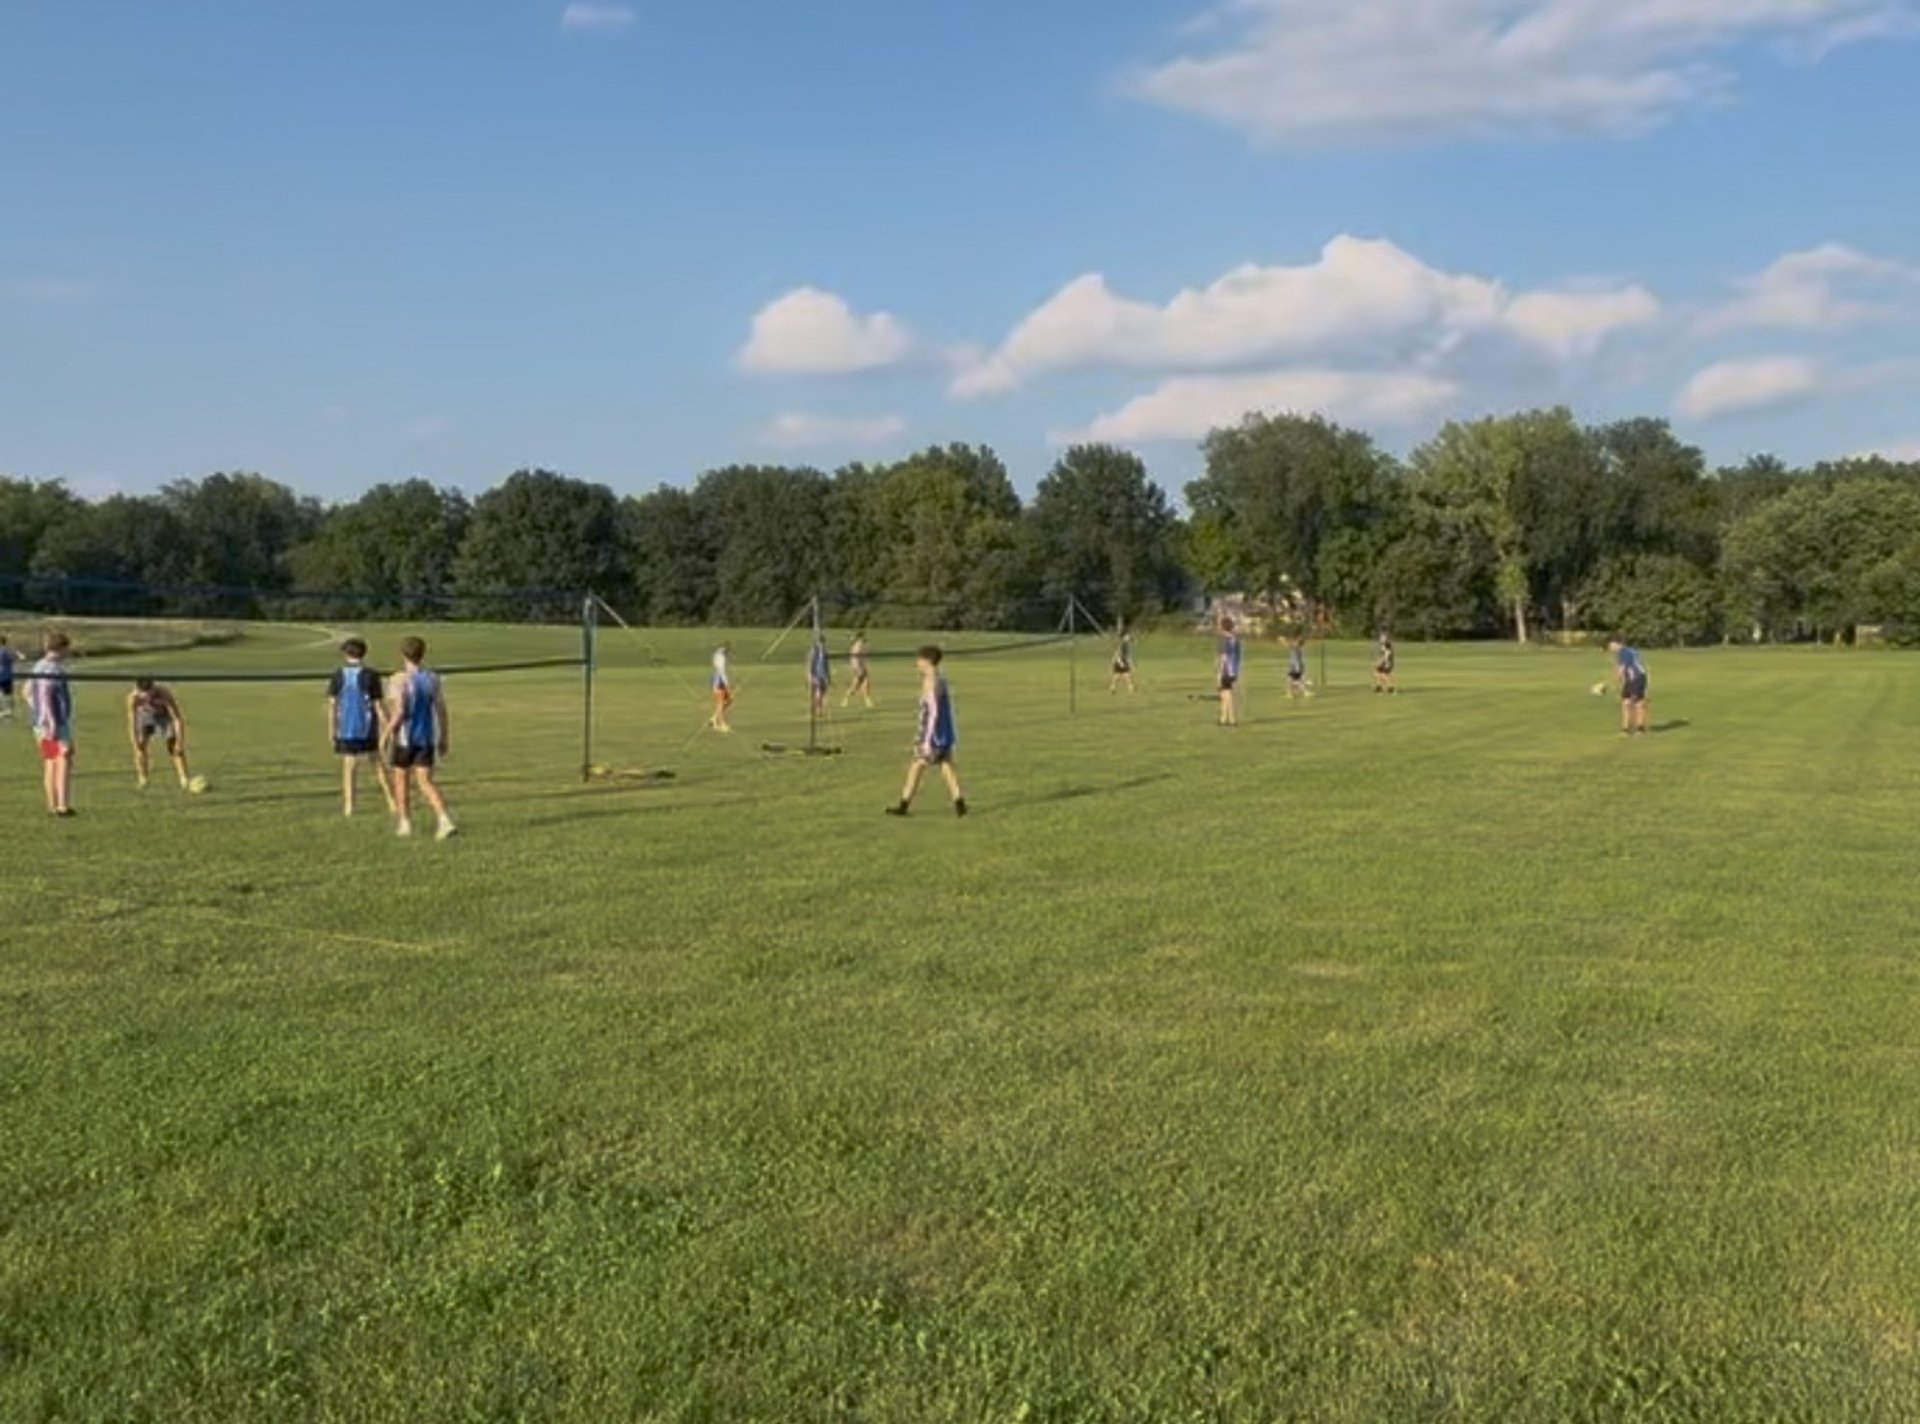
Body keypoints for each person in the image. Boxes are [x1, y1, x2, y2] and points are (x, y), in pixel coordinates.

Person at [385, 636, 457, 839]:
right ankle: (444, 819)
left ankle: (405, 822)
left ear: (402, 655)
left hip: (404, 738)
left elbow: (398, 712)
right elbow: (441, 710)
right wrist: (444, 737)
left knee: (401, 780)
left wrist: (385, 734)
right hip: (426, 736)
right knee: (426, 782)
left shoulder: (398, 679)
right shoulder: (432, 678)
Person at [885, 645, 967, 818]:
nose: (917, 663)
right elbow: (948, 710)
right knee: (946, 766)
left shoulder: (930, 681)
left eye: (919, 660)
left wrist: (927, 740)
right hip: (944, 734)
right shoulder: (942, 679)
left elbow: (934, 712)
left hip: (933, 735)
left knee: (916, 766)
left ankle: (903, 806)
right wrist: (952, 733)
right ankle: (960, 804)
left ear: (927, 661)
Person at [327, 637, 392, 816]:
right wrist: (389, 727)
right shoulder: (372, 675)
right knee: (378, 764)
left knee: (350, 767)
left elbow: (333, 705)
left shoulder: (338, 675)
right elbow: (378, 705)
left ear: (345, 654)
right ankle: (391, 800)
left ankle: (350, 807)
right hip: (368, 727)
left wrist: (332, 730)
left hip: (346, 728)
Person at [28, 631, 75, 817]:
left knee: (50, 761)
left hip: (40, 723)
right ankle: (63, 805)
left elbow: (28, 691)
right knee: (63, 758)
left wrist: (37, 711)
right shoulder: (53, 669)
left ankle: (52, 804)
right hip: (55, 723)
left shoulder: (37, 666)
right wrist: (52, 722)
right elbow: (47, 695)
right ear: (61, 648)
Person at [126, 678, 191, 790]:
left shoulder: (163, 693)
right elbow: (132, 722)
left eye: (149, 691)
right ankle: (143, 780)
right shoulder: (133, 698)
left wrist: (180, 742)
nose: (146, 695)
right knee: (140, 746)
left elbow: (177, 718)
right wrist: (135, 743)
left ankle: (184, 779)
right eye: (143, 693)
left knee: (174, 747)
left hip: (164, 717)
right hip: (145, 717)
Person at [1609, 637, 1651, 736]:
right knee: (1626, 702)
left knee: (1636, 703)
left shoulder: (1623, 652)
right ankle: (1626, 729)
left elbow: (1622, 669)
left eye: (1611, 646)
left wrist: (1612, 684)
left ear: (1617, 644)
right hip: (1634, 679)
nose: (1610, 649)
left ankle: (1639, 729)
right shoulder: (1630, 650)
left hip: (1636, 679)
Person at [1216, 617, 1243, 727]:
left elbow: (1224, 657)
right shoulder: (1236, 639)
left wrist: (1219, 673)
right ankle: (1223, 718)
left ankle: (1231, 719)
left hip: (1227, 669)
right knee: (1225, 693)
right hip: (1234, 670)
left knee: (1227, 694)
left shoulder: (1225, 639)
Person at [843, 632, 874, 709]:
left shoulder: (862, 646)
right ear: (860, 638)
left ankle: (868, 701)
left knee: (866, 685)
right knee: (854, 687)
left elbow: (866, 651)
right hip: (858, 669)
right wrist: (857, 669)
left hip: (863, 668)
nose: (865, 638)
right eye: (863, 637)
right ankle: (845, 699)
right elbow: (854, 660)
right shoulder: (856, 648)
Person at [710, 643, 734, 733]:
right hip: (718, 681)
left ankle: (714, 718)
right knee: (720, 703)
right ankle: (720, 724)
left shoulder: (719, 655)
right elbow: (720, 672)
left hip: (720, 680)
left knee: (729, 700)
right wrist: (727, 687)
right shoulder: (720, 657)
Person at [1109, 621, 1137, 695]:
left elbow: (1128, 656)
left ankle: (1113, 687)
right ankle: (1130, 688)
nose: (1129, 637)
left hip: (1122, 661)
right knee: (1123, 675)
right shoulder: (1123, 644)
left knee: (1120, 675)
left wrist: (1131, 664)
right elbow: (1118, 653)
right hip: (1120, 661)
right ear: (1124, 637)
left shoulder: (1126, 644)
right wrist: (1120, 662)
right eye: (1127, 636)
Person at [808, 635, 831, 720]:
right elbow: (811, 663)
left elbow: (827, 666)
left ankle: (819, 710)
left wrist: (828, 677)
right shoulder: (814, 651)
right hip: (816, 675)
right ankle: (816, 709)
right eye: (821, 642)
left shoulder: (824, 651)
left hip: (823, 675)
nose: (822, 644)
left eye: (823, 642)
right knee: (818, 693)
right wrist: (811, 675)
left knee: (823, 693)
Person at [1286, 633, 1309, 701]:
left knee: (1294, 680)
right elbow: (1291, 645)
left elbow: (1291, 646)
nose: (1295, 642)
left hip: (1296, 666)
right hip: (1295, 666)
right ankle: (1294, 692)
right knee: (1294, 680)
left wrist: (1283, 640)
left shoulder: (1298, 648)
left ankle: (1294, 692)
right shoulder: (1297, 648)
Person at [0, 633, 15, 721]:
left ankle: (3, 711)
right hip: (6, 675)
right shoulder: (6, 651)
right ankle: (8, 711)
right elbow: (12, 659)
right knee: (8, 694)